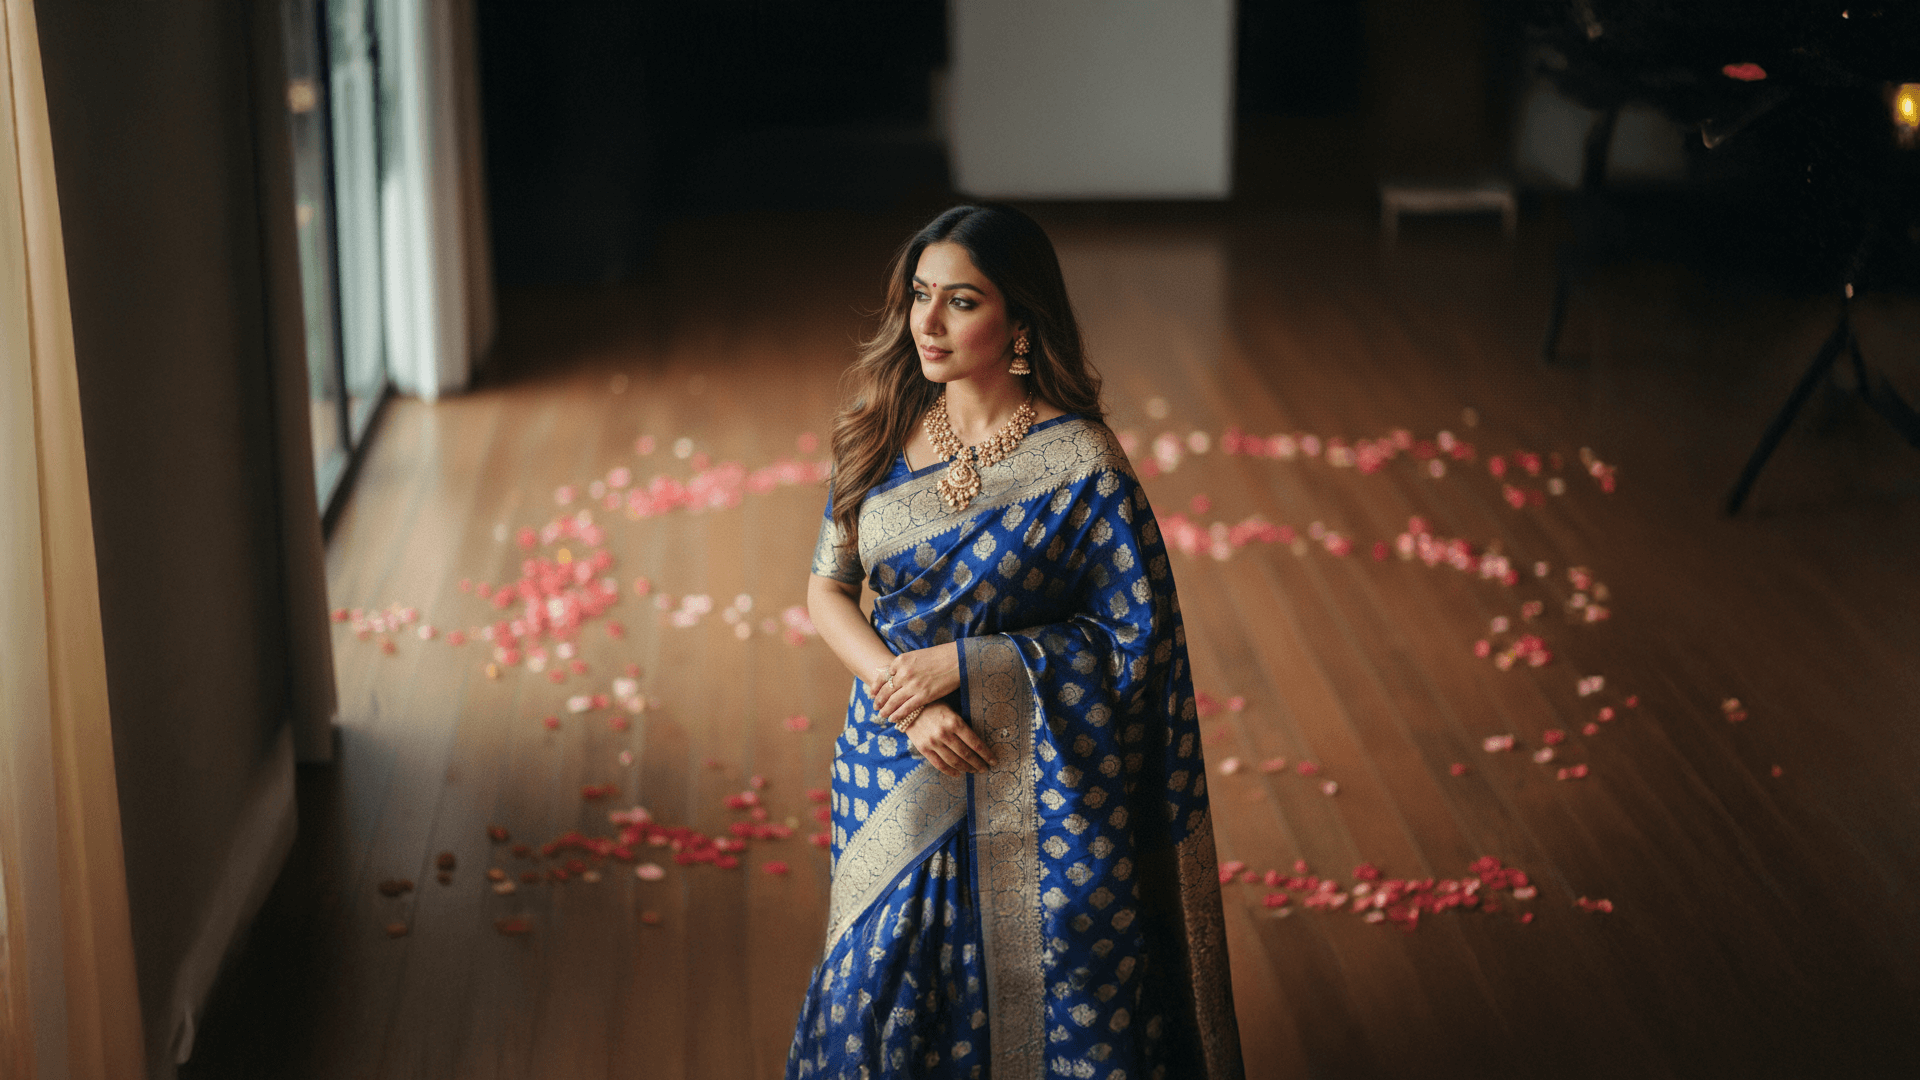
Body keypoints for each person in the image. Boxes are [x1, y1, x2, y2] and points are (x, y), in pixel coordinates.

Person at [789, 204, 1244, 1080]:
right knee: (877, 982)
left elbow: (1132, 645)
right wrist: (905, 695)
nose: (927, 323)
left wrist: (966, 666)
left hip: (1042, 787)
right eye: (920, 296)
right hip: (892, 752)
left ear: (1020, 319)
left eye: (960, 301)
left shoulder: (1083, 467)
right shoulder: (878, 426)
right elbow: (827, 587)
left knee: (1066, 976)